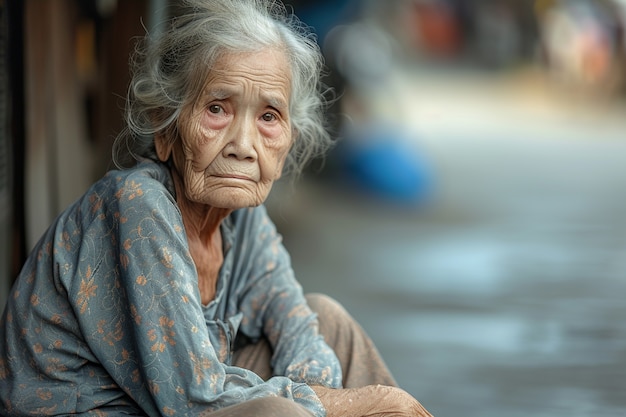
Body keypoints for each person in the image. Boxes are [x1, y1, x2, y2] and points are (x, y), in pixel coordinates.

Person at [0, 0, 433, 416]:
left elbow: (299, 327)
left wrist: (337, 398)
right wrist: (348, 404)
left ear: (289, 142)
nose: (244, 147)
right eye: (217, 109)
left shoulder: (244, 219)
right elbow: (194, 400)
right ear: (164, 125)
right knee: (279, 413)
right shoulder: (137, 205)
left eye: (268, 117)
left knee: (328, 321)